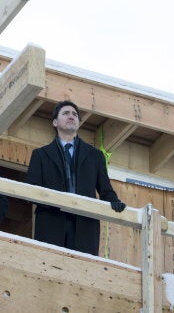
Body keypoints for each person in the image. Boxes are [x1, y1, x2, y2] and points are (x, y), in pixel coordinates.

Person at [26, 100, 126, 256]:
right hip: (51, 223)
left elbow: (105, 190)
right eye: (65, 113)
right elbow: (31, 189)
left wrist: (115, 202)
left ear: (78, 122)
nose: (71, 116)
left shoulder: (95, 156)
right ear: (54, 122)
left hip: (84, 226)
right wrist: (57, 203)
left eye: (75, 114)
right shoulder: (40, 155)